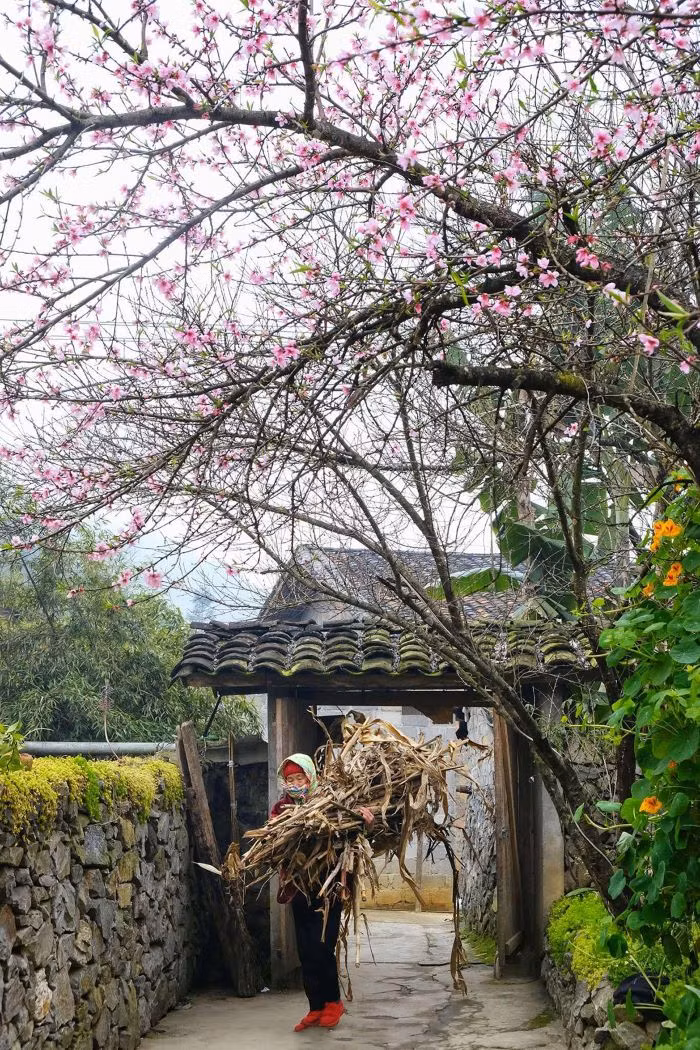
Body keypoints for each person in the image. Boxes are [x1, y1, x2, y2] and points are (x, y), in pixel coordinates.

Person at [270, 753, 374, 1033]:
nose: (294, 784)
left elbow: (353, 827)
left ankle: (333, 1003)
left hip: (327, 887)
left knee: (322, 947)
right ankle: (315, 1007)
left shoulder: (329, 802)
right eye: (289, 779)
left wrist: (365, 821)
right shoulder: (281, 809)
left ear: (310, 778)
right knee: (305, 950)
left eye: (299, 778)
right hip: (298, 888)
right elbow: (272, 838)